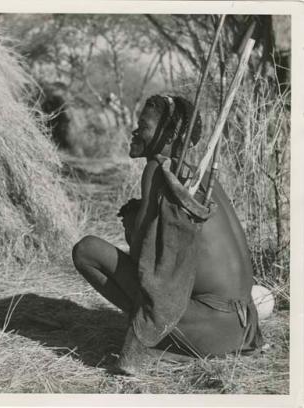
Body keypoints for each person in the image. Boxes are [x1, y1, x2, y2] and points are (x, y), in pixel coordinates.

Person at [72, 95, 262, 374]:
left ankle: (154, 343)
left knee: (87, 250)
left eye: (144, 125)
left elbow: (147, 263)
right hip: (243, 327)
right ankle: (172, 341)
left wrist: (131, 228)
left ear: (170, 135)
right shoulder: (204, 176)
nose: (135, 131)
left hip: (211, 327)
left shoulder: (158, 170)